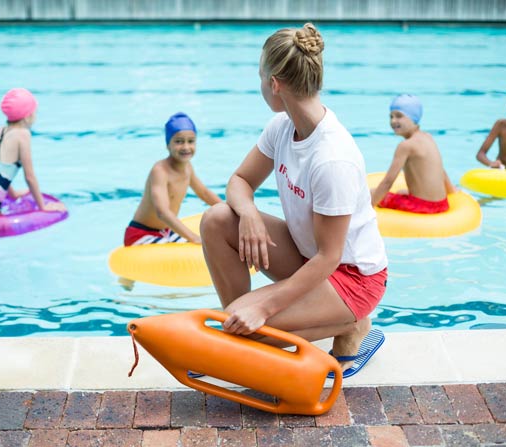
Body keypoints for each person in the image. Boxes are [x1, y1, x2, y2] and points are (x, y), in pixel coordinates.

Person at [200, 23, 388, 375]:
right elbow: (240, 181)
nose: (260, 86)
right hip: (308, 258)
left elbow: (330, 257)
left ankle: (351, 323)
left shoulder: (332, 158)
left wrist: (266, 306)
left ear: (274, 84)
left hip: (349, 278)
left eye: (260, 77)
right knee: (217, 219)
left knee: (234, 334)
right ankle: (244, 327)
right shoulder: (283, 127)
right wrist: (250, 213)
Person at [0, 88, 66, 217]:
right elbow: (30, 177)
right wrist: (43, 207)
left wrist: (13, 195)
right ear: (27, 116)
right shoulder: (23, 134)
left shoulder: (1, 131)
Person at [123, 112, 222, 247]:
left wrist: (227, 210)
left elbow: (204, 193)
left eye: (191, 141)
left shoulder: (187, 167)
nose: (186, 147)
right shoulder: (160, 171)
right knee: (194, 248)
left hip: (165, 232)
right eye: (178, 141)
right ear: (167, 144)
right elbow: (162, 212)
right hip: (141, 234)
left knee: (211, 247)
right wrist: (193, 237)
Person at [370, 94, 455, 214]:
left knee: (371, 193)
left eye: (399, 116)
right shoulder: (428, 137)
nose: (393, 121)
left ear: (413, 118)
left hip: (421, 207)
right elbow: (441, 171)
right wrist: (451, 191)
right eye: (391, 116)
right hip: (442, 204)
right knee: (401, 192)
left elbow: (388, 182)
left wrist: (370, 207)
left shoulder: (406, 146)